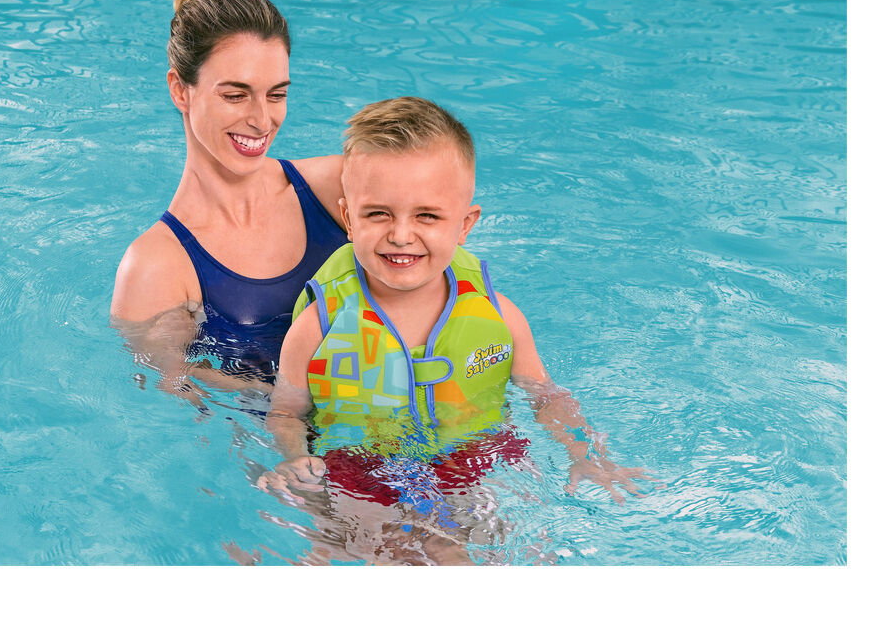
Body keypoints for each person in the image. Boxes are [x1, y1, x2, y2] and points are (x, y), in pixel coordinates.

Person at [262, 97, 653, 521]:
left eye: (427, 216)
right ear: (349, 219)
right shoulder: (318, 327)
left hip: (475, 458)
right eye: (377, 214)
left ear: (465, 224)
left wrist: (585, 453)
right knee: (362, 542)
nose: (401, 235)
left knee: (503, 540)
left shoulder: (499, 317)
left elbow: (547, 399)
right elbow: (285, 413)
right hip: (359, 471)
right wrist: (293, 458)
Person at [110, 0, 347, 389]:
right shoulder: (156, 267)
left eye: (276, 95)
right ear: (180, 91)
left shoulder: (338, 187)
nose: (262, 120)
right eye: (236, 95)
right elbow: (175, 401)